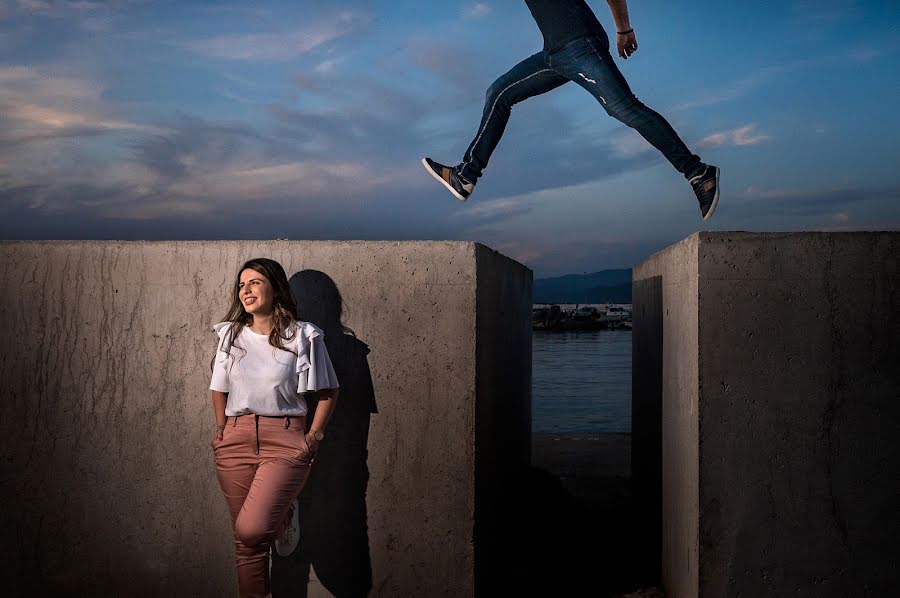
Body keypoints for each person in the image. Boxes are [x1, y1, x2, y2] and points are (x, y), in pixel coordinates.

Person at [422, 0, 721, 221]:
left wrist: (623, 28)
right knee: (498, 93)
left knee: (625, 109)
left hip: (581, 45)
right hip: (553, 54)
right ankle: (466, 175)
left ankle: (699, 174)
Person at [209, 257, 340, 598]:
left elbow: (328, 391)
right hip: (235, 441)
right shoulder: (231, 335)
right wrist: (222, 429)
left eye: (254, 282)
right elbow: (218, 387)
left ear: (275, 287)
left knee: (251, 530)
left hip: (285, 442)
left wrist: (313, 438)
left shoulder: (302, 336)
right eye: (241, 284)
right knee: (247, 546)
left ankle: (283, 511)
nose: (246, 290)